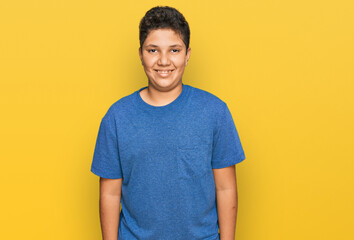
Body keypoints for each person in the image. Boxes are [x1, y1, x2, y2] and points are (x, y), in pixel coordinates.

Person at [91, 5, 246, 240]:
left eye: (174, 50)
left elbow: (225, 189)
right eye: (153, 50)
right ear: (140, 54)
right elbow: (110, 194)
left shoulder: (215, 112)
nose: (164, 61)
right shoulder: (117, 118)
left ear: (187, 54)